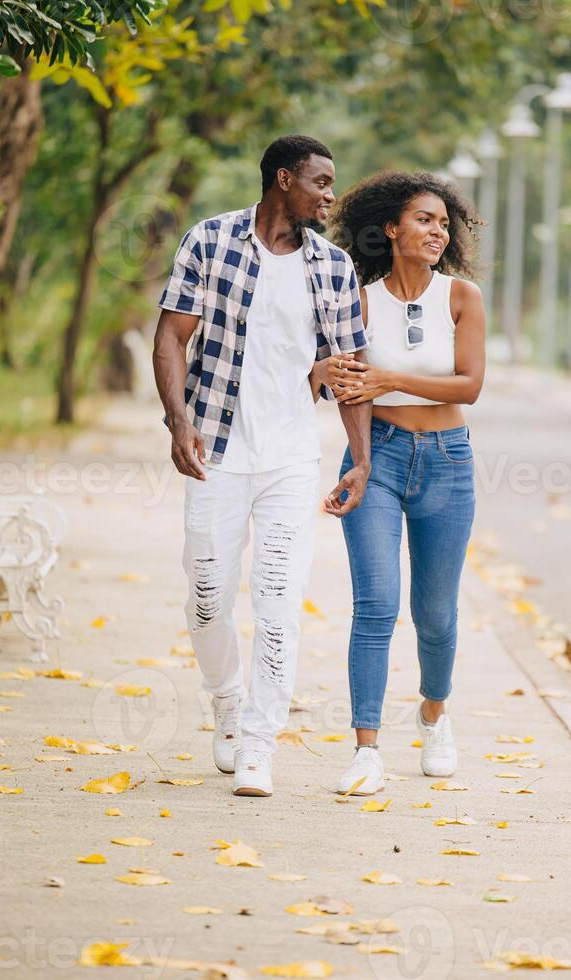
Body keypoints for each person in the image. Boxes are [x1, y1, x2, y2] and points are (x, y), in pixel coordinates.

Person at [153, 135, 372, 798]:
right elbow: (171, 335)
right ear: (284, 179)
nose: (330, 196)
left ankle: (257, 744)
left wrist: (360, 458)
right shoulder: (211, 241)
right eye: (321, 182)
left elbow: (350, 373)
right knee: (208, 597)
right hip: (215, 451)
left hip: (289, 460)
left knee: (278, 606)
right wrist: (177, 420)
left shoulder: (333, 267)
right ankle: (226, 700)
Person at [325, 171, 486, 795]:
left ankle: (434, 715)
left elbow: (468, 385)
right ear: (391, 228)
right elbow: (353, 391)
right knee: (376, 606)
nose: (437, 231)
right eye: (424, 219)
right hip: (378, 459)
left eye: (444, 223)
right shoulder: (361, 301)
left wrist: (389, 377)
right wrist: (359, 462)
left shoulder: (461, 298)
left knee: (437, 616)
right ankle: (367, 750)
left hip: (448, 460)